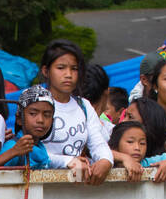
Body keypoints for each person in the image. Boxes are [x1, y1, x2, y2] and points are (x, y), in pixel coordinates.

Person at [37, 40, 113, 183]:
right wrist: (67, 161)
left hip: (75, 188)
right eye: (61, 68)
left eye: (74, 69)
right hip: (40, 188)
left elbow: (98, 143)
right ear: (46, 71)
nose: (68, 74)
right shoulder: (35, 103)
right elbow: (29, 150)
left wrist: (105, 160)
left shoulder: (83, 106)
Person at [0, 85, 59, 170]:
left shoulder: (40, 147)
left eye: (47, 115)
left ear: (52, 120)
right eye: (33, 113)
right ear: (19, 118)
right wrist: (13, 152)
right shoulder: (13, 146)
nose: (40, 120)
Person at [109, 110, 166, 183]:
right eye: (130, 142)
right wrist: (124, 158)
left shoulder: (147, 163)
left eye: (142, 143)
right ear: (115, 145)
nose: (137, 148)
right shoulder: (108, 162)